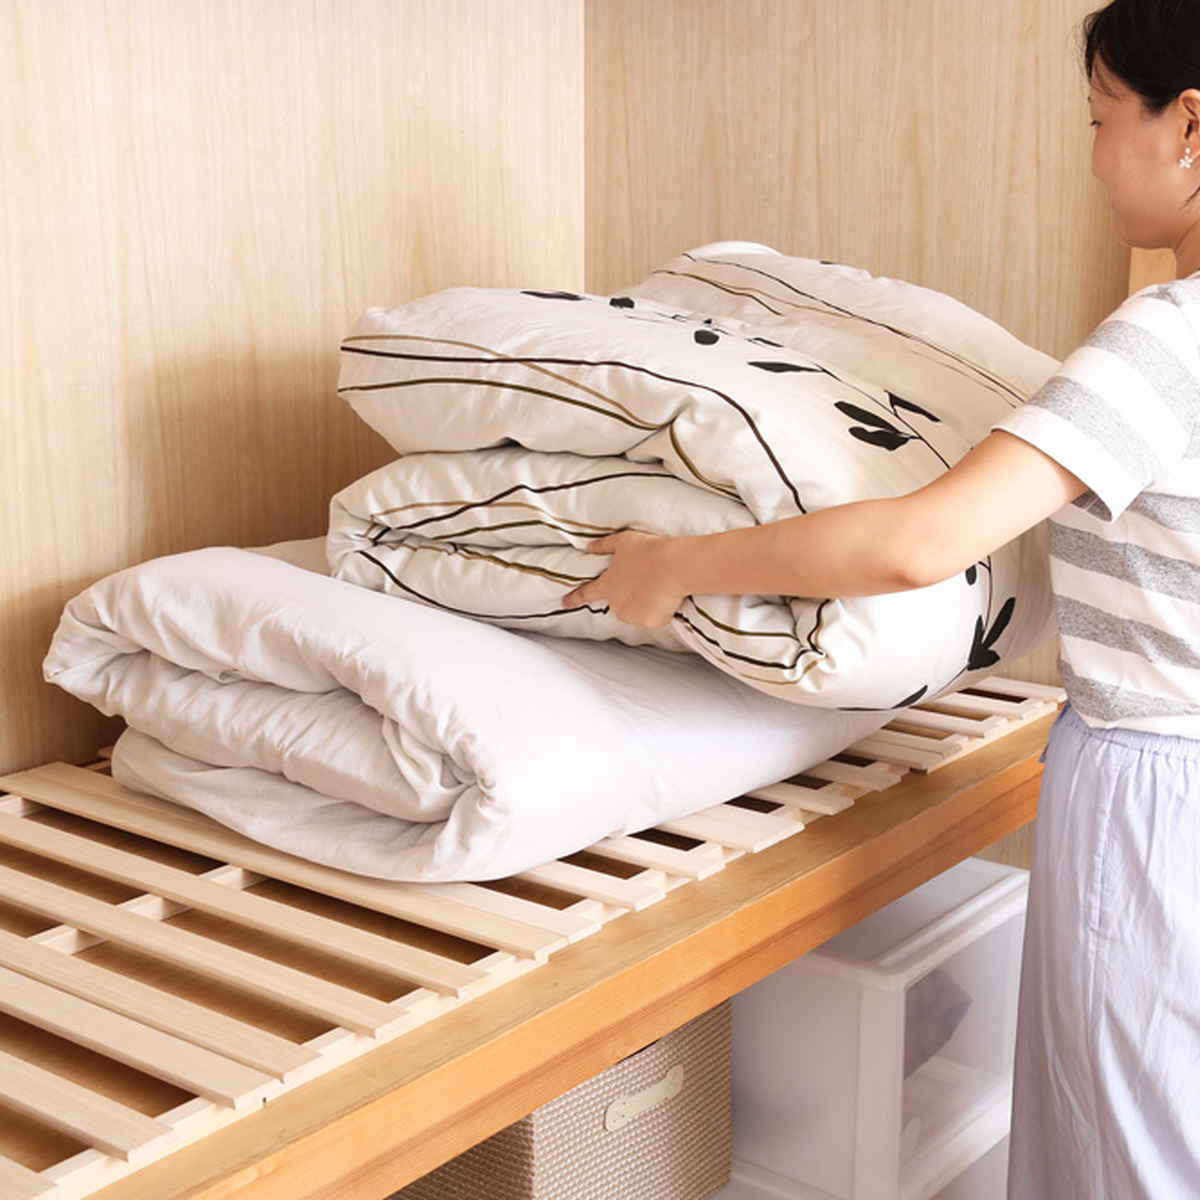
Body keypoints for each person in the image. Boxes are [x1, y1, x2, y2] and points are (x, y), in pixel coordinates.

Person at [561, 2, 1200, 1195]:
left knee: (1133, 1151)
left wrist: (672, 565)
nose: (1097, 156)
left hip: (1159, 795)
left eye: (1102, 119)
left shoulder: (1168, 340)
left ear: (1190, 125)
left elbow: (921, 542)